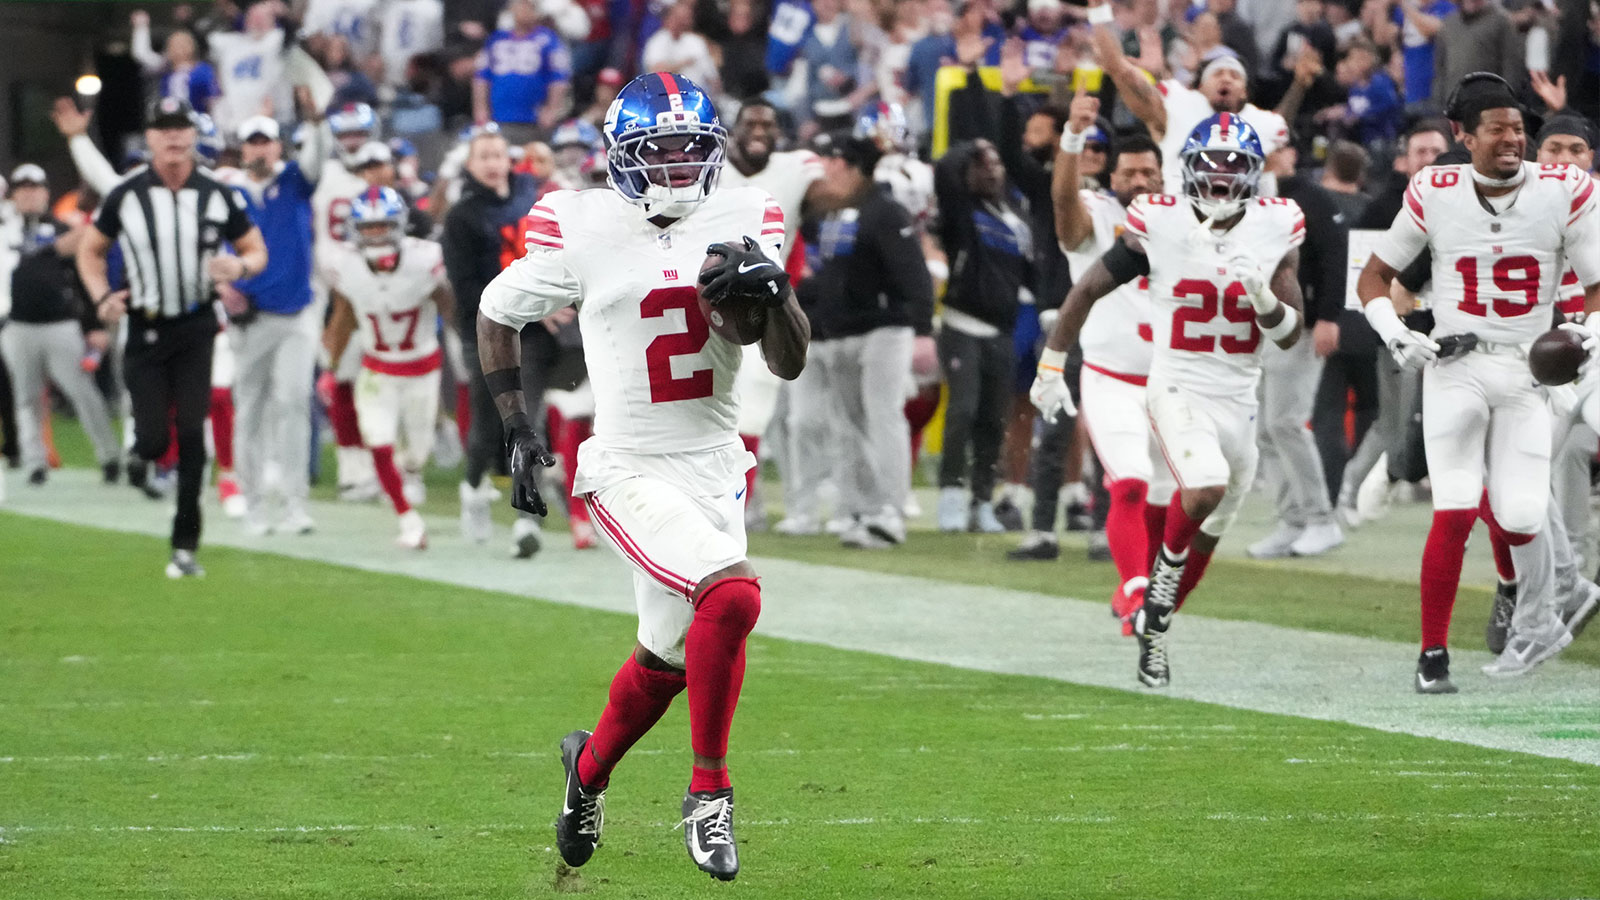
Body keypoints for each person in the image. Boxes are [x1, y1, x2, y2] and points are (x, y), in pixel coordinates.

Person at [475, 72, 808, 881]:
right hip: (627, 464)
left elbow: (788, 361)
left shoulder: (746, 216)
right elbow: (496, 310)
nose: (676, 165)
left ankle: (584, 774)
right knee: (732, 595)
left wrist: (780, 296)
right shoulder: (581, 221)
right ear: (623, 157)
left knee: (665, 657)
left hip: (715, 463)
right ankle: (710, 794)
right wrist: (516, 426)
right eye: (657, 150)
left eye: (691, 149)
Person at [1032, 112, 1306, 687]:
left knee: (1216, 521)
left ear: (1255, 172)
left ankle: (1158, 625)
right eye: (1212, 163)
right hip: (1177, 382)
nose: (1223, 176)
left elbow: (1289, 335)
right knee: (1198, 486)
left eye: (1235, 165)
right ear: (1189, 169)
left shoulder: (1276, 224)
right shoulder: (1159, 220)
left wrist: (1262, 296)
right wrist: (1053, 362)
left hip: (1240, 396)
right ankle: (1153, 584)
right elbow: (1087, 288)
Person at [1353, 73, 1599, 692]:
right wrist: (1394, 330)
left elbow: (1596, 287)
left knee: (1519, 516)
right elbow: (1374, 279)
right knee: (1455, 507)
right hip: (1456, 367)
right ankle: (1432, 654)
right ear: (1463, 136)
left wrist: (1591, 329)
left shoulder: (1562, 189)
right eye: (1498, 129)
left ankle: (1540, 607)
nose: (1513, 139)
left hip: (1526, 370)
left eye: (1519, 128)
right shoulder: (1435, 188)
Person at [76, 96, 268, 578]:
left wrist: (240, 266)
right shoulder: (126, 195)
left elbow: (254, 247)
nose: (175, 137)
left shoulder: (217, 194)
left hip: (197, 323)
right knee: (155, 437)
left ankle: (185, 545)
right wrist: (103, 298)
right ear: (152, 138)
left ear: (192, 135)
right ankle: (141, 457)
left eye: (182, 127)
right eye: (164, 129)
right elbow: (90, 252)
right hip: (145, 324)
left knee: (191, 434)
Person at [1047, 95, 1170, 625]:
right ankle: (1135, 589)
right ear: (1113, 177)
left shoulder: (1181, 218)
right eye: (1130, 172)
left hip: (1175, 378)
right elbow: (1063, 203)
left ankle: (1151, 591)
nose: (1141, 180)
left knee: (1173, 500)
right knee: (1130, 484)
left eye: (1150, 171)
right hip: (1111, 376)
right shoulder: (1097, 216)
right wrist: (1072, 138)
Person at [797, 134, 933, 549]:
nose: (825, 168)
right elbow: (833, 278)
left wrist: (923, 330)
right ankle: (860, 511)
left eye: (831, 160)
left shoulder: (886, 211)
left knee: (883, 417)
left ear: (851, 165)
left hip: (884, 329)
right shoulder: (835, 212)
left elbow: (915, 274)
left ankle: (891, 511)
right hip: (841, 332)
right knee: (850, 427)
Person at [321, 186, 454, 549]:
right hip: (377, 370)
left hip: (422, 371)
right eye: (368, 227)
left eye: (383, 226)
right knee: (378, 442)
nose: (376, 234)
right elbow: (344, 317)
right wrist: (330, 368)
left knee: (416, 452)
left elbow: (449, 307)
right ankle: (408, 520)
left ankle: (410, 471)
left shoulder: (425, 259)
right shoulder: (345, 265)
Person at [717, 99, 828, 535]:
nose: (760, 130)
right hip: (706, 303)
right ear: (733, 128)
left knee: (755, 414)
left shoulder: (795, 169)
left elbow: (832, 194)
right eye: (751, 122)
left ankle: (738, 510)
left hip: (766, 305)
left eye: (768, 123)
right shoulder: (709, 164)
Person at [221, 99, 326, 536]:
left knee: (293, 403)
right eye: (253, 143)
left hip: (296, 312)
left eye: (267, 143)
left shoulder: (296, 180)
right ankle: (253, 504)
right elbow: (212, 245)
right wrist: (222, 288)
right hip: (250, 315)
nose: (260, 151)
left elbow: (317, 156)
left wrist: (314, 122)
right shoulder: (230, 193)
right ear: (242, 149)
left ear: (279, 148)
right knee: (249, 409)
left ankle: (295, 503)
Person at [441, 126, 545, 555]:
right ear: (470, 164)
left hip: (533, 328)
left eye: (497, 154)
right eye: (482, 155)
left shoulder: (531, 198)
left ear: (509, 159)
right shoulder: (462, 216)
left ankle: (526, 519)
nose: (491, 162)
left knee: (526, 421)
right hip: (487, 329)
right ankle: (473, 486)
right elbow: (465, 288)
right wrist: (518, 301)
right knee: (487, 426)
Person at [1249, 139, 1348, 560]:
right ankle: (1292, 520)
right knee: (1266, 430)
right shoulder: (1251, 196)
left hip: (1302, 323)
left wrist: (1329, 316)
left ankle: (1322, 520)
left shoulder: (1311, 197)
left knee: (1287, 422)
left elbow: (1335, 256)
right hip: (1260, 326)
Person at [934, 139, 1032, 534]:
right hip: (962, 323)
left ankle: (981, 500)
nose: (989, 171)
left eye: (994, 163)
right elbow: (945, 172)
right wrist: (971, 147)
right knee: (963, 410)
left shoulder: (1016, 214)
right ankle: (951, 496)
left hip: (1002, 329)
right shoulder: (961, 210)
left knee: (994, 418)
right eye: (979, 165)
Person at [0, 165, 119, 486]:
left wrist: (93, 324)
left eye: (35, 187)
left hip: (60, 323)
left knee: (83, 392)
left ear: (45, 192)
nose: (29, 193)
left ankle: (109, 457)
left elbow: (84, 278)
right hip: (16, 324)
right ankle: (34, 462)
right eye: (22, 187)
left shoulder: (62, 228)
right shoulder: (5, 228)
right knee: (26, 397)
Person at [471, 0, 572, 143]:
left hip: (534, 120)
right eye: (521, 4)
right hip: (498, 117)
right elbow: (481, 77)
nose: (525, 10)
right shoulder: (496, 39)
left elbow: (559, 77)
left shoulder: (548, 40)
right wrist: (480, 109)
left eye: (529, 6)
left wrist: (552, 109)